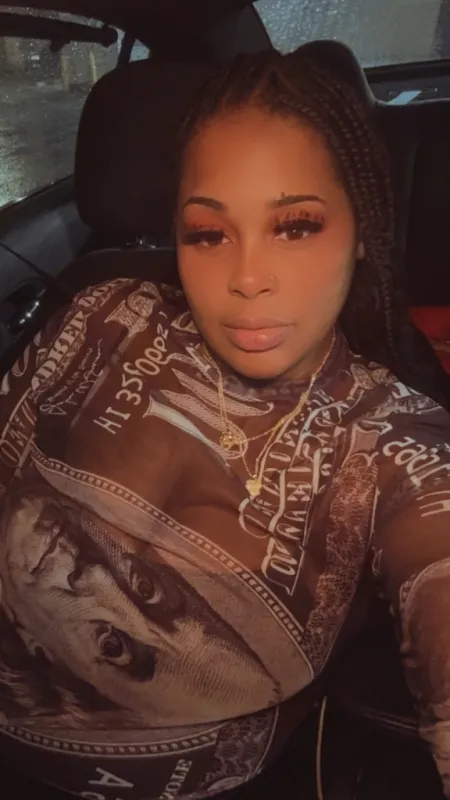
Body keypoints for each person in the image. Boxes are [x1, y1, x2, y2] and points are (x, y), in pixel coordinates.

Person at [0, 45, 450, 800]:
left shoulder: (395, 439)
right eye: (209, 233)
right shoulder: (101, 314)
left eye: (295, 227)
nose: (246, 278)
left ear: (361, 232)